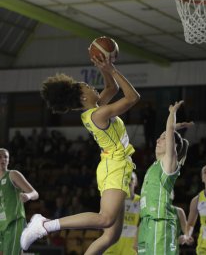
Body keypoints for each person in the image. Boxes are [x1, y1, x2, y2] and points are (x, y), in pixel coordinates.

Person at [20, 54, 140, 254]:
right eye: (89, 88)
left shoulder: (95, 110)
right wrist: (112, 70)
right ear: (84, 97)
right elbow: (132, 98)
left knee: (111, 236)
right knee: (105, 219)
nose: (94, 88)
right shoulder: (98, 114)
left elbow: (113, 89)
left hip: (113, 164)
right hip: (115, 165)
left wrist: (105, 67)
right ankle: (45, 225)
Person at [137, 100, 192, 254]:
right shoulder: (154, 166)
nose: (158, 140)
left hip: (159, 222)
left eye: (163, 138)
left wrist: (172, 113)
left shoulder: (168, 163)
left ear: (173, 145)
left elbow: (169, 130)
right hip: (146, 221)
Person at [0, 148, 39, 255]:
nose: (3, 159)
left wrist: (28, 195)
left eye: (6, 157)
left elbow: (35, 193)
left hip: (14, 222)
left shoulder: (12, 174)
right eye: (0, 156)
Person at [104, 171, 140, 255]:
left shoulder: (141, 201)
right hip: (113, 241)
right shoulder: (114, 199)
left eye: (131, 179)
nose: (129, 182)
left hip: (130, 244)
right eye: (126, 179)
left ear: (136, 182)